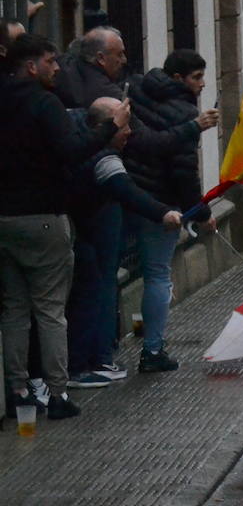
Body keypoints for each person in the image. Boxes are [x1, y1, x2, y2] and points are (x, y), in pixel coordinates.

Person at [2, 34, 130, 419]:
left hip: (3, 219)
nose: (58, 67)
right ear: (31, 66)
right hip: (42, 217)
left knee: (13, 309)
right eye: (50, 60)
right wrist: (111, 128)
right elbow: (72, 150)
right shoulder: (45, 103)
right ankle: (57, 394)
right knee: (50, 309)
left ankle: (19, 390)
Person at [66, 97, 183, 389]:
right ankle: (81, 367)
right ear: (106, 127)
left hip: (78, 232)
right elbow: (127, 191)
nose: (130, 132)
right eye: (124, 125)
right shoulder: (102, 157)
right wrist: (163, 213)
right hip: (81, 235)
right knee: (88, 295)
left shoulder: (83, 143)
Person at [125, 48, 220, 372]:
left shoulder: (138, 89)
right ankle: (152, 350)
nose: (202, 84)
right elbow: (184, 172)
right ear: (178, 78)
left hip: (126, 193)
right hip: (160, 202)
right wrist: (202, 212)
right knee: (157, 275)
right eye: (197, 77)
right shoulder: (183, 113)